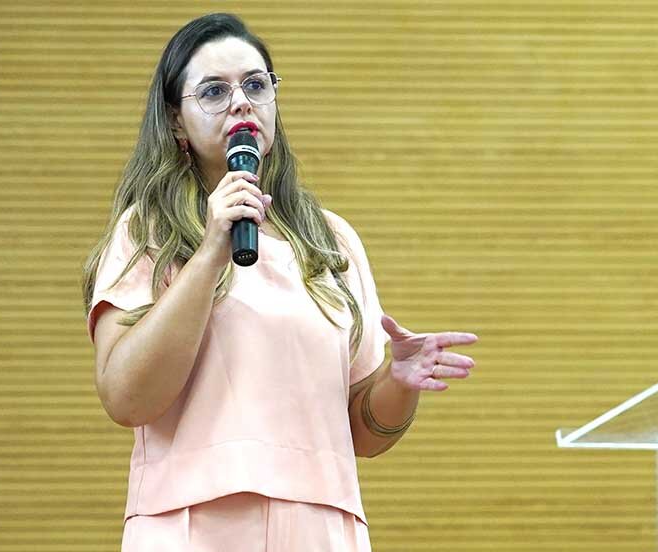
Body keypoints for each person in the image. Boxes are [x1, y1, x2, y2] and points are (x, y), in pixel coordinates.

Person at [80, 13, 478, 551]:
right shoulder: (148, 229)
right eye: (214, 91)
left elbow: (361, 431)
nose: (241, 102)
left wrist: (397, 383)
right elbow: (126, 398)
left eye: (255, 84)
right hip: (190, 524)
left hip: (321, 525)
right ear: (176, 122)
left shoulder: (330, 240)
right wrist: (210, 252)